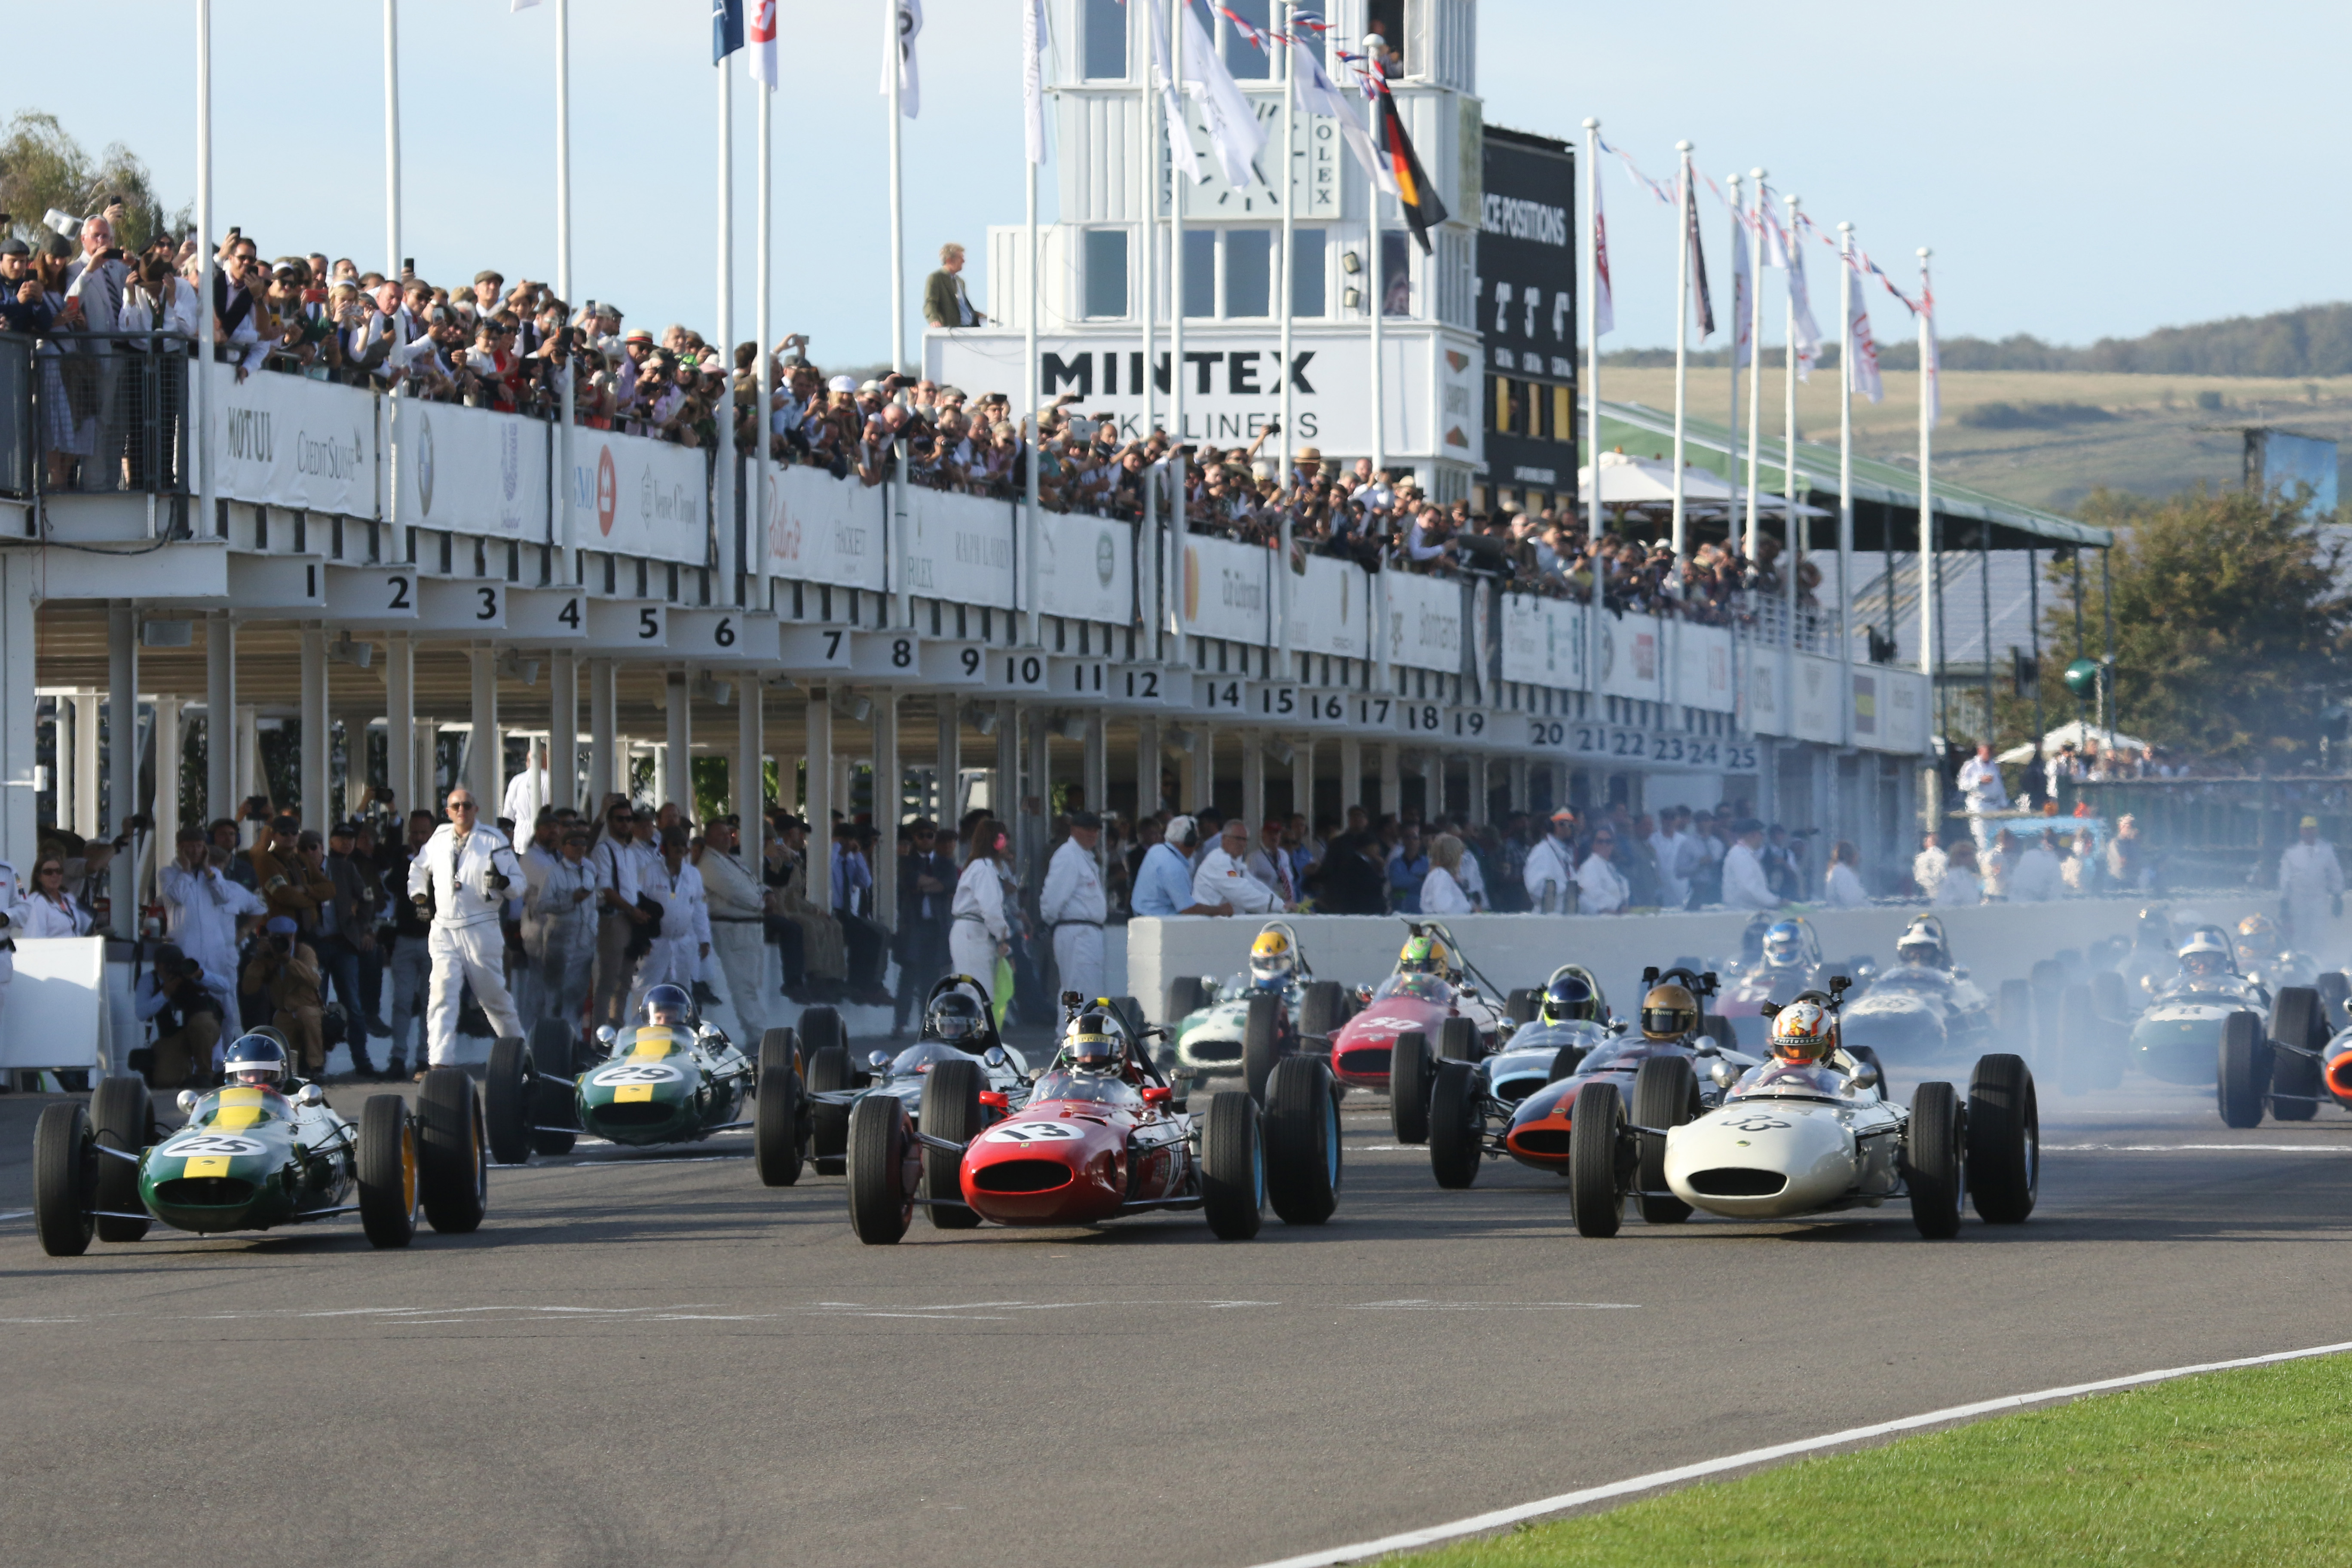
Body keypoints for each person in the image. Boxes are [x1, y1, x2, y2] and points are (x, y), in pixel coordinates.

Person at [406, 788, 526, 1075]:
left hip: (481, 926)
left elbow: (519, 885)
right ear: (447, 811)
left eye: (467, 805)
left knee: (493, 997)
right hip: (445, 927)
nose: (461, 810)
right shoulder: (437, 839)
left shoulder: (493, 840)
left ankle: (521, 1054)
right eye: (455, 806)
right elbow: (418, 869)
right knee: (441, 993)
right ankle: (440, 1062)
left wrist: (502, 881)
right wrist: (420, 897)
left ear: (476, 809)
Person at [696, 817, 769, 1043]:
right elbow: (737, 892)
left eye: (729, 834)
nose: (727, 838)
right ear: (709, 838)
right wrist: (761, 901)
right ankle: (758, 1036)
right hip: (732, 929)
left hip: (751, 928)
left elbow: (755, 883)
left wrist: (767, 893)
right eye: (721, 835)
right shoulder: (709, 862)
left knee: (753, 985)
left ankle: (758, 1034)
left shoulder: (733, 860)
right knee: (743, 986)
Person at [625, 826, 709, 1021]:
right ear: (665, 848)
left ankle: (683, 1034)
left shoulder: (693, 875)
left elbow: (699, 909)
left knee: (682, 992)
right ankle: (637, 1034)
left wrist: (704, 939)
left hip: (683, 943)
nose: (679, 849)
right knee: (646, 990)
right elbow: (638, 905)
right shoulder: (650, 872)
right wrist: (642, 942)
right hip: (656, 943)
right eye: (675, 845)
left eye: (683, 845)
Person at [531, 826, 603, 1033]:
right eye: (575, 844)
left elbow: (592, 904)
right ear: (564, 848)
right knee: (554, 994)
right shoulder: (553, 873)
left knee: (578, 994)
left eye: (583, 844)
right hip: (560, 942)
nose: (580, 848)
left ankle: (574, 1039)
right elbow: (542, 905)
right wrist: (571, 899)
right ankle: (551, 1039)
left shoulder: (589, 871)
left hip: (585, 941)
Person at [383, 809, 436, 1078]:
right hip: (404, 938)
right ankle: (398, 1058)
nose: (418, 837)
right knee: (401, 1001)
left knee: (430, 1003)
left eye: (423, 832)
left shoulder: (443, 859)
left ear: (432, 833)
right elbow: (392, 884)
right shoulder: (402, 859)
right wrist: (407, 863)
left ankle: (425, 1059)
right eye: (414, 832)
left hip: (433, 939)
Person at [1040, 810, 1109, 1004]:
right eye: (1087, 829)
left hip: (1087, 932)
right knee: (1077, 989)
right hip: (1075, 931)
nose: (1092, 834)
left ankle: (1077, 1031)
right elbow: (1052, 899)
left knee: (1087, 989)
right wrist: (1051, 921)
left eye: (1095, 831)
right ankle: (1068, 1033)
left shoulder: (1085, 857)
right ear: (1074, 830)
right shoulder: (1068, 856)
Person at [894, 819, 957, 1033]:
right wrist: (934, 884)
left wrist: (925, 885)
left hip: (936, 926)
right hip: (913, 925)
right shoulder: (907, 861)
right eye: (921, 835)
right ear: (914, 838)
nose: (926, 839)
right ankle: (900, 1024)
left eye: (930, 835)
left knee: (931, 979)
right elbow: (911, 881)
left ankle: (928, 1024)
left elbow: (949, 884)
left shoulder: (945, 862)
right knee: (909, 976)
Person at [134, 945, 226, 1089]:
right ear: (157, 966)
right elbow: (141, 1013)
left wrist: (200, 975)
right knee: (166, 1080)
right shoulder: (149, 981)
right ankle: (186, 1077)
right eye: (169, 966)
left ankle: (205, 1074)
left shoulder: (192, 974)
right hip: (174, 1037)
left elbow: (225, 987)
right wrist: (165, 993)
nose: (174, 970)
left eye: (177, 964)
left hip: (202, 1030)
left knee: (200, 1024)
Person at [244, 915, 325, 1075]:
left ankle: (316, 1067)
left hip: (307, 1007)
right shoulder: (268, 956)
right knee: (281, 1048)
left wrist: (288, 961)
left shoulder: (304, 952)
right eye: (276, 938)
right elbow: (249, 988)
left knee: (308, 1016)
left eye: (285, 938)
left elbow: (314, 980)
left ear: (292, 936)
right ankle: (290, 1073)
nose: (281, 942)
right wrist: (259, 960)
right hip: (284, 1012)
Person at [950, 818, 1013, 1014]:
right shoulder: (984, 868)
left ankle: (976, 1039)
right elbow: (992, 909)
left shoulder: (979, 867)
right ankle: (976, 1040)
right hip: (973, 931)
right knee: (978, 992)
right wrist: (1002, 936)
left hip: (973, 931)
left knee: (976, 990)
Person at [1130, 816, 1229, 917]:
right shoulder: (1173, 868)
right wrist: (1221, 910)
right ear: (1189, 841)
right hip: (1158, 922)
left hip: (1143, 915)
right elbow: (1189, 909)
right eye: (1197, 840)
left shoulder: (1157, 850)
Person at [2279, 815, 2344, 956]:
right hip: (2298, 899)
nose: (2309, 832)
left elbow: (2335, 872)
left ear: (2317, 830)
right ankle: (2299, 963)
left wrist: (2337, 895)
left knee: (2318, 935)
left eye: (2312, 829)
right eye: (2306, 829)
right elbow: (2285, 878)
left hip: (2318, 899)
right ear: (2301, 831)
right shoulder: (2292, 853)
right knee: (2299, 934)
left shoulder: (2326, 850)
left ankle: (2317, 965)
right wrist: (2284, 901)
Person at [1194, 817, 1286, 915]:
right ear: (1224, 839)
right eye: (1238, 839)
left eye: (1245, 840)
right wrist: (1277, 905)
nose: (1242, 844)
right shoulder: (1218, 861)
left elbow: (1253, 884)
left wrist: (1281, 904)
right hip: (1207, 924)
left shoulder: (1234, 861)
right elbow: (1241, 893)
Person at [19, 855, 92, 936]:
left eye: (59, 871)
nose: (55, 875)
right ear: (38, 877)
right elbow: (34, 939)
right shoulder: (37, 903)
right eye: (48, 872)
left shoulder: (68, 898)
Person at [1523, 809, 1579, 913]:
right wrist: (1568, 889)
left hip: (1565, 919)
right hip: (1546, 920)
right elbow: (1536, 888)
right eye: (1562, 824)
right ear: (1551, 826)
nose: (1567, 828)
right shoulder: (1542, 851)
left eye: (1570, 825)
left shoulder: (1565, 853)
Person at [1957, 742, 2008, 853]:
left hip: (1995, 805)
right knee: (1982, 840)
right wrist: (1979, 781)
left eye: (1991, 750)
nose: (1989, 752)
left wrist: (2004, 804)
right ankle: (1983, 866)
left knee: (1997, 839)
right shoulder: (1971, 765)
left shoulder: (1994, 766)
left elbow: (2000, 787)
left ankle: (1994, 866)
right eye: (1987, 749)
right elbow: (1962, 785)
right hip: (1979, 804)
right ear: (1980, 750)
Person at [1719, 820, 1780, 912]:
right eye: (1761, 834)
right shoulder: (1740, 855)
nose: (1762, 838)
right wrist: (1775, 902)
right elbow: (1748, 888)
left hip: (1749, 911)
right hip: (1741, 912)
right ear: (1754, 835)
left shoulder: (1746, 854)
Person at [923, 243, 986, 328]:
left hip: (970, 328)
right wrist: (934, 320)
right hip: (955, 331)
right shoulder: (936, 278)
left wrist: (975, 315)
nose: (963, 261)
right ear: (950, 260)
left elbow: (960, 306)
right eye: (961, 258)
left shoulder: (960, 281)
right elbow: (930, 301)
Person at [1575, 825, 1630, 914]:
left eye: (1608, 842)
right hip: (1601, 920)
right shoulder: (1590, 866)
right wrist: (1618, 906)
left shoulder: (1610, 867)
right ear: (1593, 845)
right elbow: (1591, 892)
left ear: (1613, 845)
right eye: (1600, 842)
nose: (1604, 845)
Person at [1420, 833, 1475, 915]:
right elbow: (1442, 907)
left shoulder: (1440, 875)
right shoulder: (1441, 876)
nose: (1462, 859)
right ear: (1453, 856)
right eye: (1460, 854)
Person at [2009, 829, 2066, 903]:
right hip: (2024, 904)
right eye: (2047, 839)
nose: (2049, 843)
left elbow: (2056, 891)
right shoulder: (2030, 856)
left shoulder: (2054, 861)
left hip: (2032, 905)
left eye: (2052, 840)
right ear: (2042, 841)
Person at [1935, 839, 1984, 907]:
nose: (1974, 857)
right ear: (1960, 857)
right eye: (1970, 854)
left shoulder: (1967, 876)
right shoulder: (1955, 877)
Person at [1823, 840, 1868, 908]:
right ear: (1851, 855)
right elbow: (1852, 901)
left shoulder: (1839, 870)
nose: (1858, 857)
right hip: (1845, 916)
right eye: (1857, 854)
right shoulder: (1842, 873)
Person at [1912, 832, 1948, 902]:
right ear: (1940, 842)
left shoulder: (1920, 858)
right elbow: (1947, 876)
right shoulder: (1945, 858)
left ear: (1927, 843)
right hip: (1941, 893)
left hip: (1924, 892)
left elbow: (1918, 876)